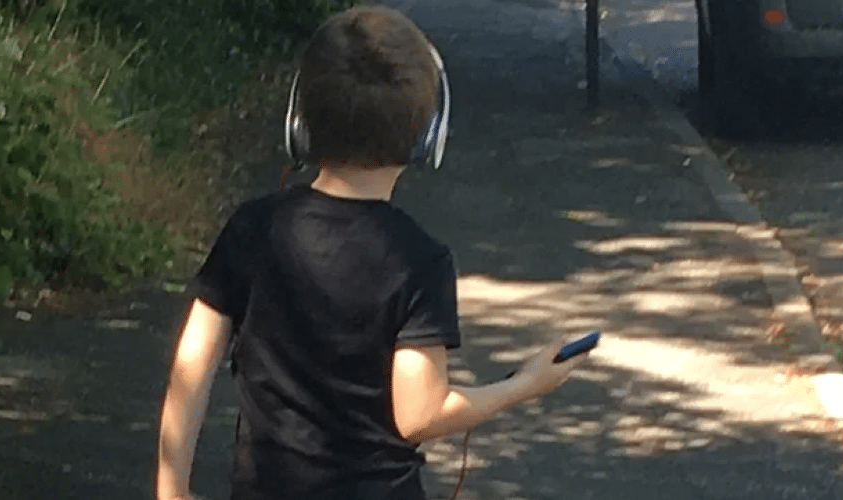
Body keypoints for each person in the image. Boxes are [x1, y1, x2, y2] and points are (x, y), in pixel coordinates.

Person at [155, 5, 590, 500]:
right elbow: (418, 416)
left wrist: (171, 489)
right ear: (429, 133)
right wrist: (523, 385)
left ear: (301, 119)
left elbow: (192, 364)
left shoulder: (253, 228)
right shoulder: (419, 261)